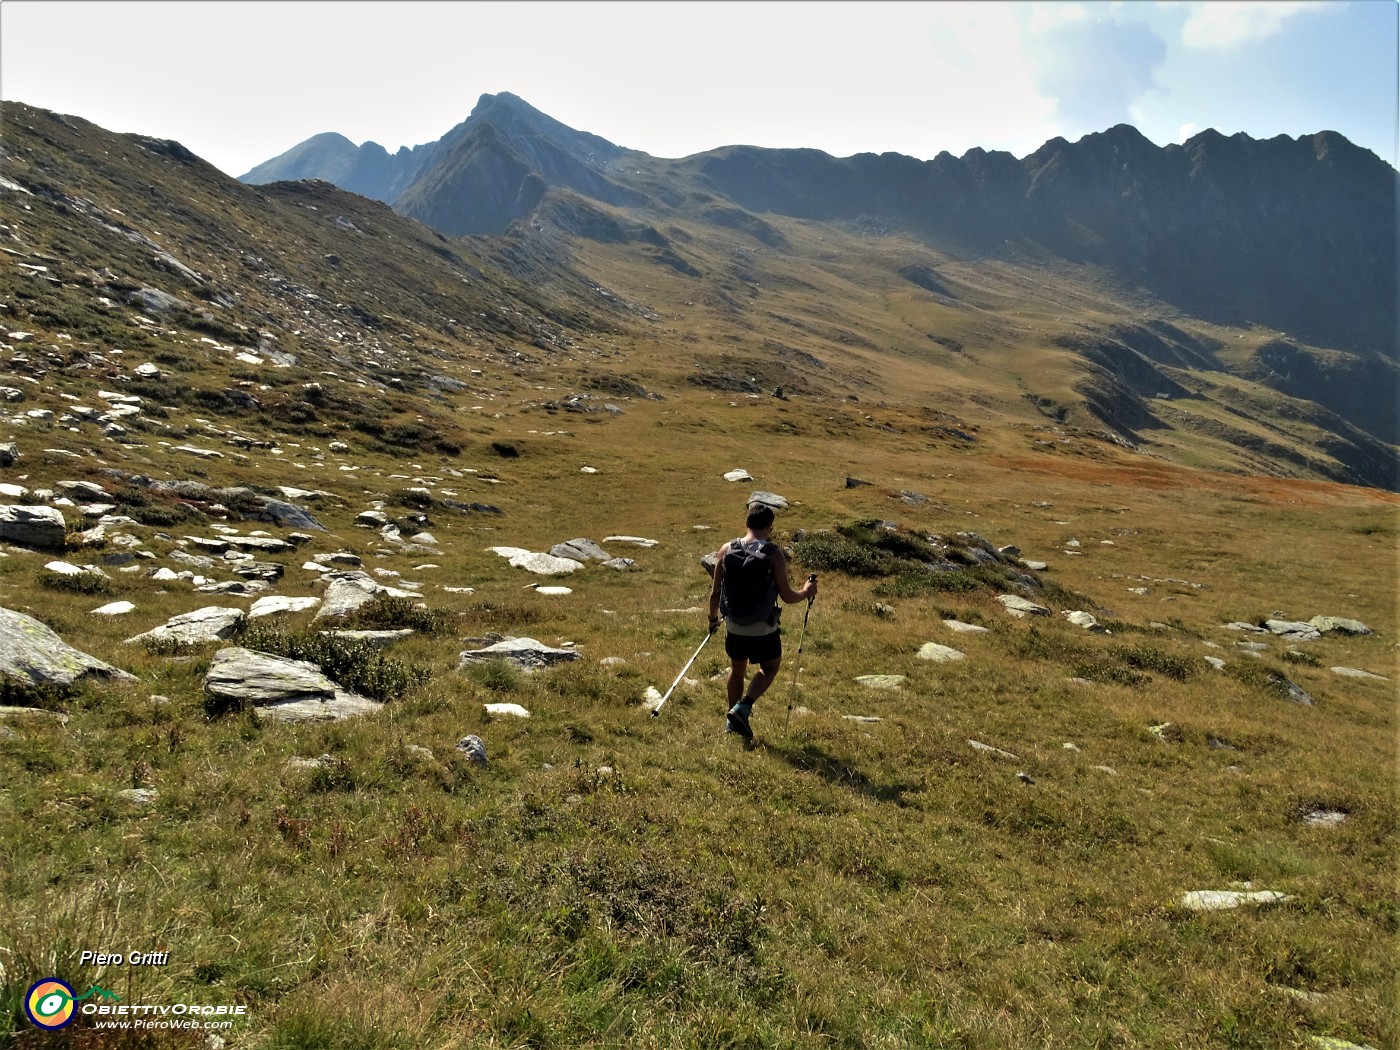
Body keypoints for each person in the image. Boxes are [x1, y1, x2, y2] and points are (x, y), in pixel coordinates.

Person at [708, 502, 817, 741]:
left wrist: (712, 619)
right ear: (769, 527)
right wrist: (806, 591)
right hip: (763, 628)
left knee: (737, 671)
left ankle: (732, 723)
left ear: (746, 523)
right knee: (769, 668)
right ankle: (743, 707)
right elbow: (787, 597)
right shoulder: (772, 554)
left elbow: (715, 592)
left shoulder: (726, 549)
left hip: (734, 625)